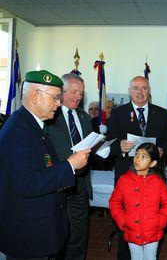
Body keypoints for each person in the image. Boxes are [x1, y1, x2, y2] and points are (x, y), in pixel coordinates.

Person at [0, 70, 90, 259]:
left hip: (39, 230)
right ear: (34, 96)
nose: (59, 103)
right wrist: (69, 165)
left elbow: (44, 166)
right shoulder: (18, 130)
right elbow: (27, 183)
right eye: (55, 98)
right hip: (29, 236)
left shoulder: (33, 124)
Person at [107, 76, 167, 259]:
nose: (140, 92)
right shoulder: (118, 113)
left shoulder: (161, 114)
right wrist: (118, 147)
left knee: (152, 231)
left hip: (154, 176)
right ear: (129, 91)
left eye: (144, 88)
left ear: (149, 90)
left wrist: (161, 151)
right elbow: (108, 145)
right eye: (135, 88)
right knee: (126, 232)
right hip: (126, 175)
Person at [46, 73, 97, 260]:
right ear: (61, 92)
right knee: (57, 233)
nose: (78, 97)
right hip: (58, 184)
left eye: (81, 93)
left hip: (80, 184)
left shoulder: (83, 116)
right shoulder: (50, 115)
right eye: (74, 92)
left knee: (78, 233)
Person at [109, 143, 167, 260]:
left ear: (153, 163)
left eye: (144, 156)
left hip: (153, 230)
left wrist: (160, 222)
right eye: (136, 155)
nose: (137, 159)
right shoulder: (124, 180)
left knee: (150, 257)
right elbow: (114, 202)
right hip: (131, 229)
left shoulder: (158, 182)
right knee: (136, 257)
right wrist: (123, 221)